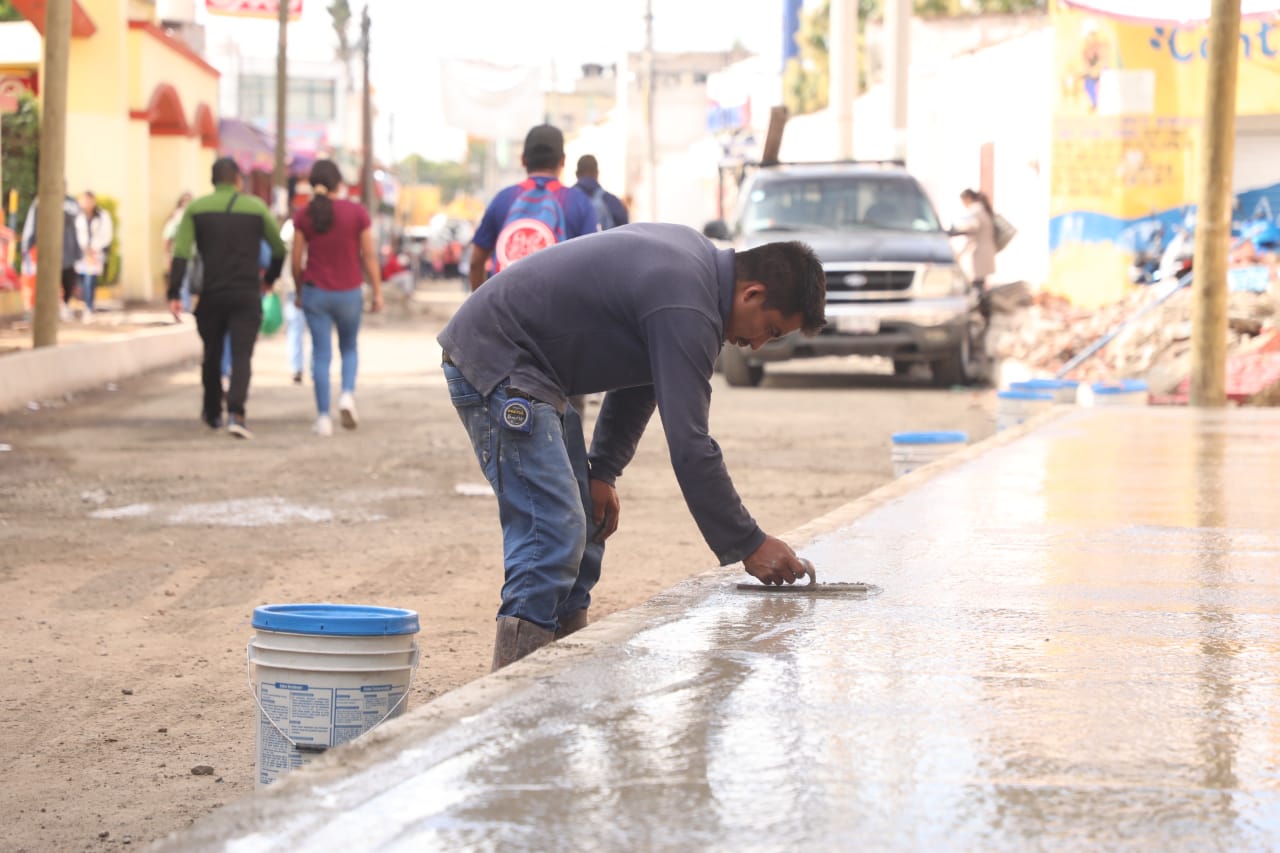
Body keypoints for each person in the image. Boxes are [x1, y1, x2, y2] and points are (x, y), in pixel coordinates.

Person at [438, 223, 827, 670]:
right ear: (752, 294)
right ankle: (512, 694)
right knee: (555, 531)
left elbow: (641, 380)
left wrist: (602, 470)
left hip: (536, 370)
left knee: (587, 521)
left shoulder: (694, 278)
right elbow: (691, 445)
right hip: (499, 357)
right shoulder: (688, 302)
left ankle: (561, 675)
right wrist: (749, 543)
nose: (756, 344)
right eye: (770, 330)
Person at [167, 157, 286, 439]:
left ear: (212, 181)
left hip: (212, 294)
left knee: (212, 354)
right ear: (237, 181)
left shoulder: (195, 208)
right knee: (242, 355)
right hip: (246, 294)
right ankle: (237, 413)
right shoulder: (256, 207)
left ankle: (211, 412)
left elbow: (181, 253)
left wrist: (174, 292)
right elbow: (279, 249)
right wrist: (268, 280)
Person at [291, 159, 383, 437]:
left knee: (320, 354)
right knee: (349, 348)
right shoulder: (356, 213)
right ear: (340, 184)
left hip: (315, 292)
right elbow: (369, 256)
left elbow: (296, 261)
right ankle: (346, 396)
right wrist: (377, 292)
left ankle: (323, 419)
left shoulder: (304, 215)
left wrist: (298, 291)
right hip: (349, 293)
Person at [467, 123, 597, 291]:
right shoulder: (580, 203)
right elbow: (591, 267)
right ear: (563, 160)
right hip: (557, 311)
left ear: (523, 159)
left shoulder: (503, 199)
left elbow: (476, 262)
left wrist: (484, 309)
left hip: (506, 310)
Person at [21, 188, 82, 321]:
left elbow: (78, 221)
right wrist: (27, 245)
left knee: (68, 280)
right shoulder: (40, 202)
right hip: (46, 250)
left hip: (68, 250)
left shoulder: (71, 203)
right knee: (43, 281)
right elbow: (32, 224)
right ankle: (38, 309)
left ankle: (64, 305)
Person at [74, 191, 113, 319]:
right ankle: (85, 304)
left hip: (96, 252)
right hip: (81, 252)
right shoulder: (76, 215)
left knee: (90, 280)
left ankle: (89, 307)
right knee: (81, 280)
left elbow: (107, 234)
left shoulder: (102, 216)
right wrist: (84, 248)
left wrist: (95, 247)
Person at [952, 189, 996, 295]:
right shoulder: (981, 209)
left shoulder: (975, 211)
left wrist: (961, 253)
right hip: (985, 250)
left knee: (977, 284)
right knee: (980, 282)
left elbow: (971, 232)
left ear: (967, 199)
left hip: (981, 251)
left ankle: (984, 307)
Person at [571, 154, 628, 231]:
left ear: (576, 174)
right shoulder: (612, 202)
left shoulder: (564, 199)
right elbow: (625, 234)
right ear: (597, 173)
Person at [162, 192, 194, 312]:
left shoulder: (194, 215)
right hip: (180, 254)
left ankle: (186, 305)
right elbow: (168, 236)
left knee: (190, 281)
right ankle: (184, 306)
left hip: (193, 255)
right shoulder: (178, 217)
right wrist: (167, 255)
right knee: (182, 281)